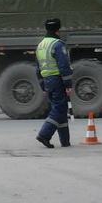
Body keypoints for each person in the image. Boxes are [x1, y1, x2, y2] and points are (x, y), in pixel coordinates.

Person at [35, 18, 73, 148]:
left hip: (47, 81)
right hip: (57, 80)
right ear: (58, 30)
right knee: (59, 108)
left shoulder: (41, 45)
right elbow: (63, 66)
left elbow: (37, 68)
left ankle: (65, 141)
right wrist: (68, 84)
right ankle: (44, 134)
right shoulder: (58, 44)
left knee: (59, 109)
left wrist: (42, 85)